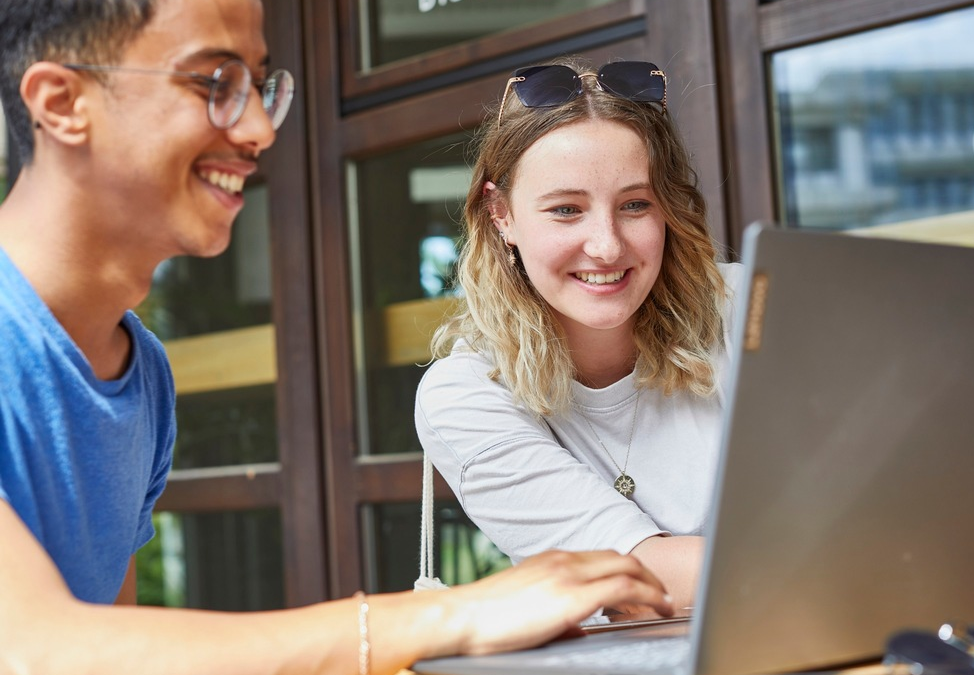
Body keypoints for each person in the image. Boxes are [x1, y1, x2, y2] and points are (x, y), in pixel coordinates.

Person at [0, 2, 672, 673]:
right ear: (62, 103)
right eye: (215, 83)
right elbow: (35, 649)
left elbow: (105, 648)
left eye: (258, 87)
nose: (259, 128)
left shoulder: (135, 365)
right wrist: (452, 615)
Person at [414, 56, 974, 623]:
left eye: (635, 204)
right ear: (500, 213)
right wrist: (938, 560)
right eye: (566, 209)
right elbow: (634, 577)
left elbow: (904, 455)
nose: (607, 244)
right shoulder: (464, 396)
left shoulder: (752, 306)